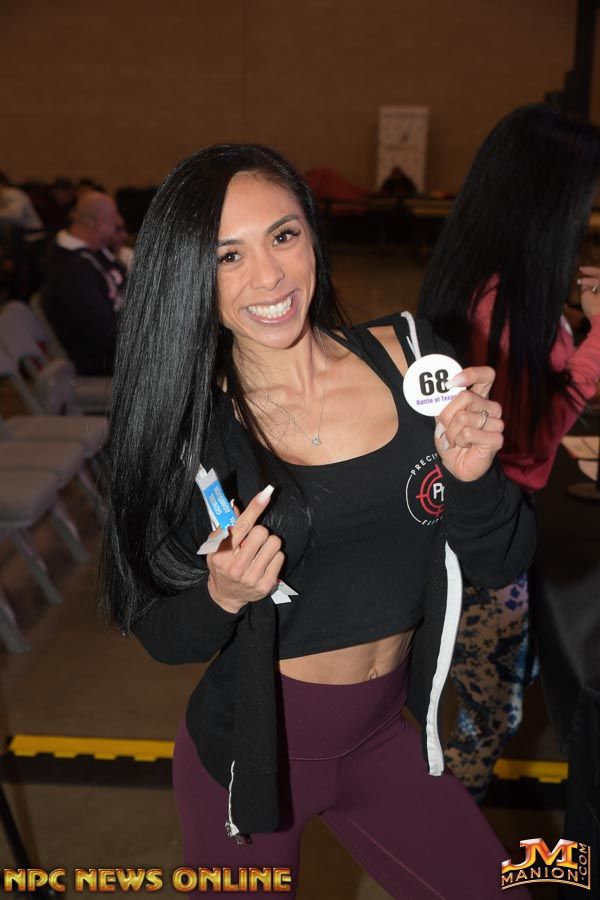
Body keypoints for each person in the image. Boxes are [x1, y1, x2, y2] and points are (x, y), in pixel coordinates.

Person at [99, 144, 535, 899]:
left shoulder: (413, 362)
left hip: (385, 739)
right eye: (227, 255)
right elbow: (162, 633)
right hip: (251, 761)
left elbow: (502, 560)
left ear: (312, 234)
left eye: (283, 235)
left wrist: (473, 480)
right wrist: (222, 596)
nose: (268, 277)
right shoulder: (195, 434)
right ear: (189, 275)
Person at [418, 103, 600, 801]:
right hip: (483, 540)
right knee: (487, 718)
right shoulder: (497, 302)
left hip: (486, 527)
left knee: (488, 710)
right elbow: (528, 442)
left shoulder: (497, 285)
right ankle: (444, 838)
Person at [41, 191, 122, 375]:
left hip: (122, 347)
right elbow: (104, 332)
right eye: (113, 220)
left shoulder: (96, 252)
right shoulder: (70, 270)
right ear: (99, 223)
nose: (118, 224)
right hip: (102, 360)